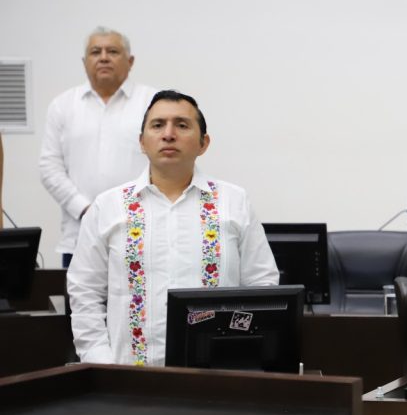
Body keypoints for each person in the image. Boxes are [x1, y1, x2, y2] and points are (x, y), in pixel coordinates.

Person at [67, 90, 279, 367]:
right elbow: (84, 291)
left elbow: (262, 286)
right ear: (142, 142)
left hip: (220, 376)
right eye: (157, 125)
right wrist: (102, 363)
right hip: (128, 376)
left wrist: (239, 353)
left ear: (203, 143)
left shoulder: (233, 201)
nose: (168, 134)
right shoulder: (108, 206)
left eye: (181, 125)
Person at [39, 27, 157, 267]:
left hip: (143, 232)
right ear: (85, 62)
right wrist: (85, 209)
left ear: (130, 61)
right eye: (96, 52)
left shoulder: (153, 102)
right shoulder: (63, 105)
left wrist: (133, 209)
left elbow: (166, 161)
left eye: (112, 51)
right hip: (80, 235)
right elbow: (49, 167)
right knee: (80, 293)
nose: (103, 57)